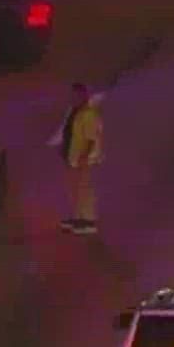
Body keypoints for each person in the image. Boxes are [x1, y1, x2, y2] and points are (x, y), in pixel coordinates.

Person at [48, 81, 103, 234]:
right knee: (75, 189)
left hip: (85, 159)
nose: (73, 98)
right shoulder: (75, 112)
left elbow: (93, 138)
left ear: (83, 96)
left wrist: (85, 156)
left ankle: (89, 221)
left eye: (76, 95)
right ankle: (78, 218)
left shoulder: (88, 114)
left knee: (84, 190)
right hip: (74, 158)